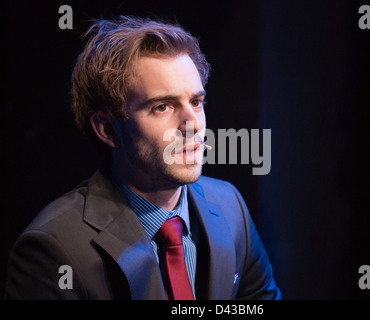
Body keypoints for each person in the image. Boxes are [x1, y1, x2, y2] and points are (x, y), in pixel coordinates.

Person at [5, 16, 281, 300]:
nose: (193, 124)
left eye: (196, 102)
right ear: (108, 129)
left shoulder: (230, 205)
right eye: (162, 106)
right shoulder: (53, 249)